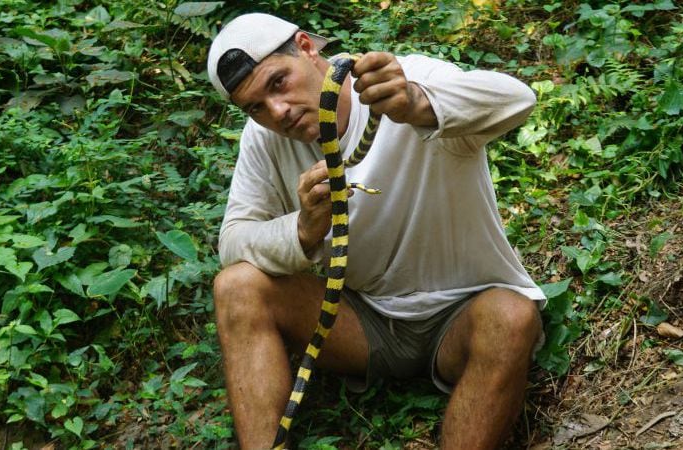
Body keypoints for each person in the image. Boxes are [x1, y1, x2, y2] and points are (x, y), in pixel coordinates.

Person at [207, 12, 546, 450]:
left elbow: (517, 100)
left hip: (464, 313)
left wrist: (417, 104)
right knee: (236, 286)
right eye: (255, 107)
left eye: (278, 83)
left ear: (308, 49)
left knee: (512, 317)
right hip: (363, 324)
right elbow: (233, 241)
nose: (278, 112)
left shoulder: (402, 79)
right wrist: (304, 230)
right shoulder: (264, 137)